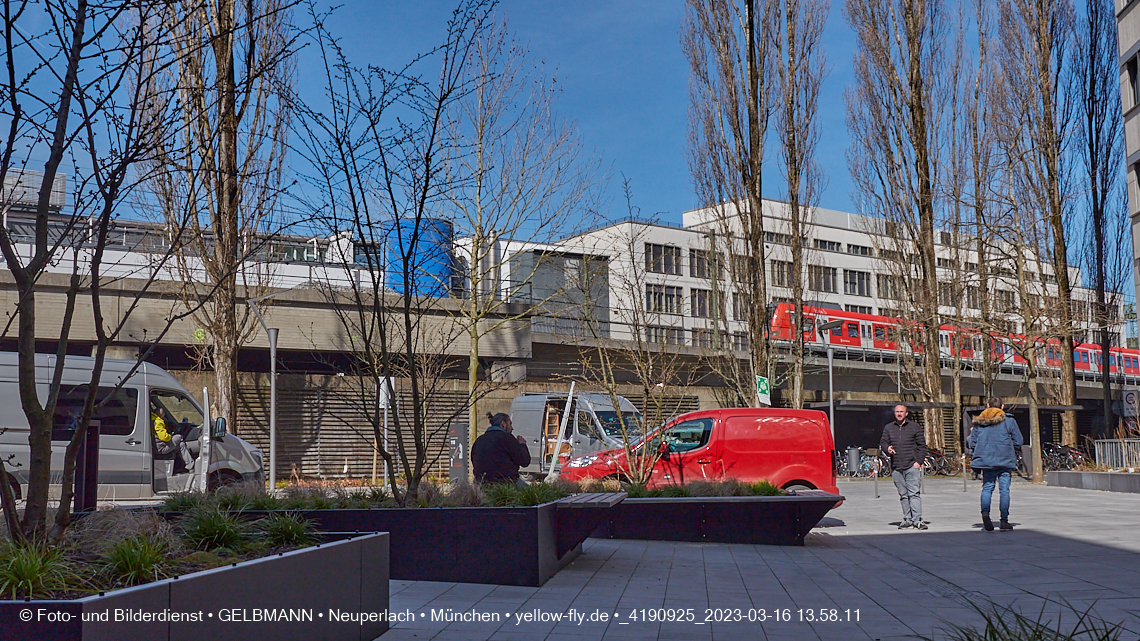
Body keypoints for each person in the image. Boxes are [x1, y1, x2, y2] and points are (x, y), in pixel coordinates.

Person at [967, 397, 1024, 532]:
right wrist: (1010, 447)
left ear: (987, 406)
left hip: (987, 460)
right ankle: (1004, 521)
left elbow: (972, 442)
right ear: (1002, 407)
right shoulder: (1009, 421)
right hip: (1005, 459)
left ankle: (985, 514)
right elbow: (1019, 440)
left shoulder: (979, 422)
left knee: (987, 488)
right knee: (1004, 490)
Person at [880, 404, 928, 529]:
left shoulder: (914, 427)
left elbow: (922, 446)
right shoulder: (889, 428)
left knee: (914, 494)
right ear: (894, 413)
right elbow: (883, 442)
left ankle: (917, 520)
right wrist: (887, 448)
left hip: (911, 465)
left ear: (906, 413)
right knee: (903, 495)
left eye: (902, 411)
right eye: (897, 412)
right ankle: (907, 519)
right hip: (896, 466)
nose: (899, 414)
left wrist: (918, 462)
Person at [471, 412, 531, 486]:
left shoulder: (478, 441)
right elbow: (524, 461)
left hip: (482, 483)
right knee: (532, 494)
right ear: (503, 424)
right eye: (510, 424)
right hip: (506, 483)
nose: (512, 428)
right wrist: (522, 445)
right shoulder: (507, 438)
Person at [152, 406, 194, 474]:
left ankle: (190, 467)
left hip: (157, 447)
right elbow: (164, 437)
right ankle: (190, 466)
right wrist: (170, 436)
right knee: (179, 437)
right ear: (162, 415)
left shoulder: (151, 419)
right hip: (162, 448)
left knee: (181, 445)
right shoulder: (158, 422)